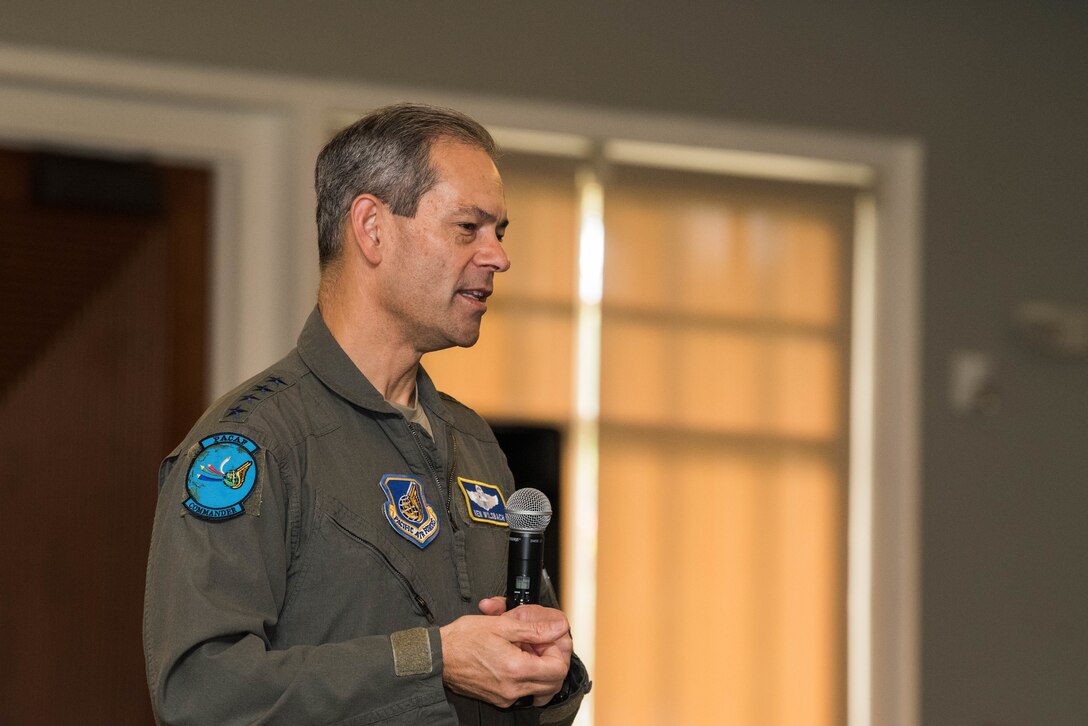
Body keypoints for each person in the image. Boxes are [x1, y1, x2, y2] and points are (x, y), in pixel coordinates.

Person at [143, 103, 589, 725]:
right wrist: (431, 661)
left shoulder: (474, 442)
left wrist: (550, 676)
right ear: (372, 228)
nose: (498, 257)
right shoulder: (251, 444)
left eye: (500, 232)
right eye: (468, 228)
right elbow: (199, 695)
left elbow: (521, 687)